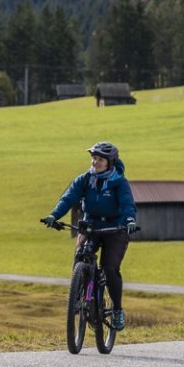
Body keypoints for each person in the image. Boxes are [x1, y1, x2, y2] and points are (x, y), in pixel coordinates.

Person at [40, 141, 138, 330]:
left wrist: (129, 221)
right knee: (80, 258)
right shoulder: (84, 179)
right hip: (90, 226)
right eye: (94, 158)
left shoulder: (119, 181)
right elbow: (68, 198)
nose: (95, 162)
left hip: (115, 229)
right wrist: (54, 215)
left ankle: (117, 310)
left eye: (100, 159)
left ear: (110, 162)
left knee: (110, 269)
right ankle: (77, 297)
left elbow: (127, 203)